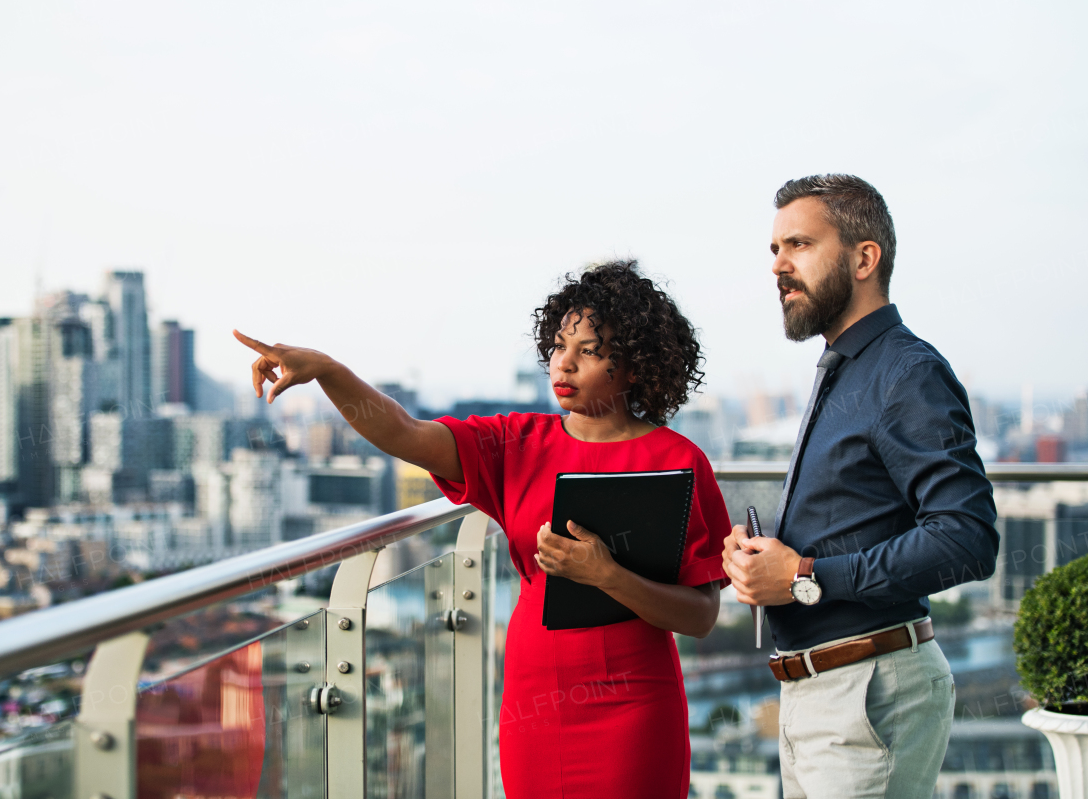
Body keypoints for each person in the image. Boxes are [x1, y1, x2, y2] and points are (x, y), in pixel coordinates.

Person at [234, 260, 731, 799]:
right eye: (559, 346)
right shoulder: (516, 443)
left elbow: (701, 616)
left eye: (588, 351)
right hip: (536, 698)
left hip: (636, 706)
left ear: (635, 365)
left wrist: (607, 575)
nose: (563, 364)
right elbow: (404, 433)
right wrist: (328, 370)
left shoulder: (678, 461)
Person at [721, 175, 1000, 799]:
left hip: (866, 694)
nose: (778, 267)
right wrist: (760, 560)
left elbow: (968, 537)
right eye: (773, 250)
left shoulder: (906, 372)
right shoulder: (844, 369)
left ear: (863, 257)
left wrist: (803, 576)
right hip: (817, 696)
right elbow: (853, 515)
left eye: (798, 245)